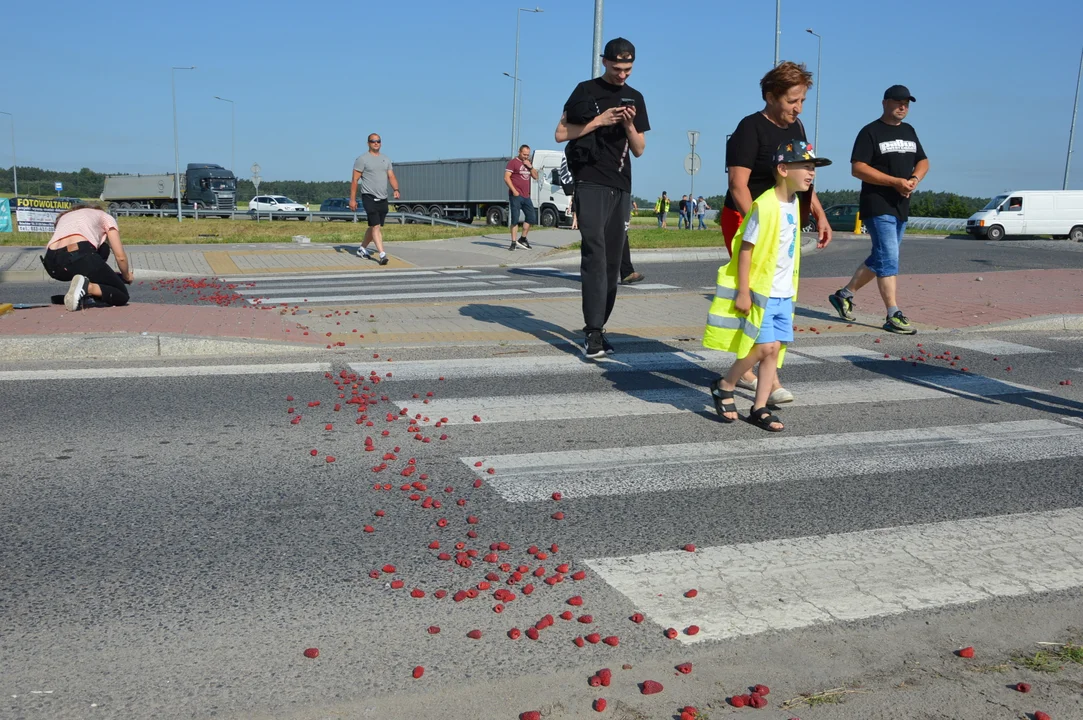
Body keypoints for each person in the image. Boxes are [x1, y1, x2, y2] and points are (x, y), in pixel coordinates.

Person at [721, 61, 832, 405]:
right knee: (760, 296)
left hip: (785, 222)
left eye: (801, 101)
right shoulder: (749, 128)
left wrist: (819, 214)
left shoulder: (797, 127)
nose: (797, 109)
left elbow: (804, 176)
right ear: (771, 97)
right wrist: (760, 223)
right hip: (747, 218)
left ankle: (754, 370)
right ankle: (763, 376)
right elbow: (738, 184)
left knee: (778, 292)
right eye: (791, 101)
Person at [704, 140, 832, 432]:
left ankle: (759, 407)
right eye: (806, 167)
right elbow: (745, 248)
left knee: (775, 350)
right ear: (784, 169)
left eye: (813, 168)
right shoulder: (764, 205)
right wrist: (745, 291)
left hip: (785, 293)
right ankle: (726, 383)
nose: (811, 174)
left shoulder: (795, 204)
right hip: (763, 292)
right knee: (765, 347)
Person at [555, 36, 650, 359]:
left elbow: (639, 149)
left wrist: (628, 125)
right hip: (590, 181)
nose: (623, 74)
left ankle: (601, 326)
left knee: (612, 263)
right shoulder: (585, 90)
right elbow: (560, 133)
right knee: (593, 251)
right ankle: (592, 331)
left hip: (621, 185)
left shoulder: (635, 97)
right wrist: (599, 120)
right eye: (617, 67)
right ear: (604, 61)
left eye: (628, 68)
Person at [828, 85, 929, 335]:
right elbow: (858, 168)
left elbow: (923, 160)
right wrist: (894, 181)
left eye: (907, 102)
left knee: (882, 257)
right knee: (889, 257)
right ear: (885, 103)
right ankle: (893, 314)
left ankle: (844, 295)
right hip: (877, 204)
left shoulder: (909, 131)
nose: (903, 106)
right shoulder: (870, 132)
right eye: (898, 102)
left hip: (901, 205)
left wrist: (914, 179)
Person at [41, 204, 133, 310]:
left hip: (52, 263)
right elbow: (120, 256)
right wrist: (126, 276)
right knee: (121, 295)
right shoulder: (105, 216)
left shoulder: (66, 217)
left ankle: (82, 292)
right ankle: (88, 288)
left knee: (93, 256)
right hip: (79, 254)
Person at [350, 133, 400, 266]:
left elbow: (391, 176)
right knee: (376, 226)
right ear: (368, 143)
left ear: (381, 143)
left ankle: (362, 249)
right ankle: (382, 254)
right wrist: (352, 199)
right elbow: (355, 180)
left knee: (374, 226)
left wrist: (396, 190)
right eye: (373, 141)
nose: (376, 143)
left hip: (382, 197)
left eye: (378, 141)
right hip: (368, 196)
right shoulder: (362, 159)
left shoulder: (386, 159)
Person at [505, 144, 538, 250]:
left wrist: (530, 166)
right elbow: (506, 178)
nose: (526, 156)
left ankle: (523, 239)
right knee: (515, 219)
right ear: (519, 152)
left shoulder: (528, 163)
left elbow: (536, 177)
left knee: (531, 217)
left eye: (527, 155)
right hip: (516, 195)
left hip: (526, 196)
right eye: (524, 154)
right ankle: (513, 242)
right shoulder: (513, 163)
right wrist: (514, 191)